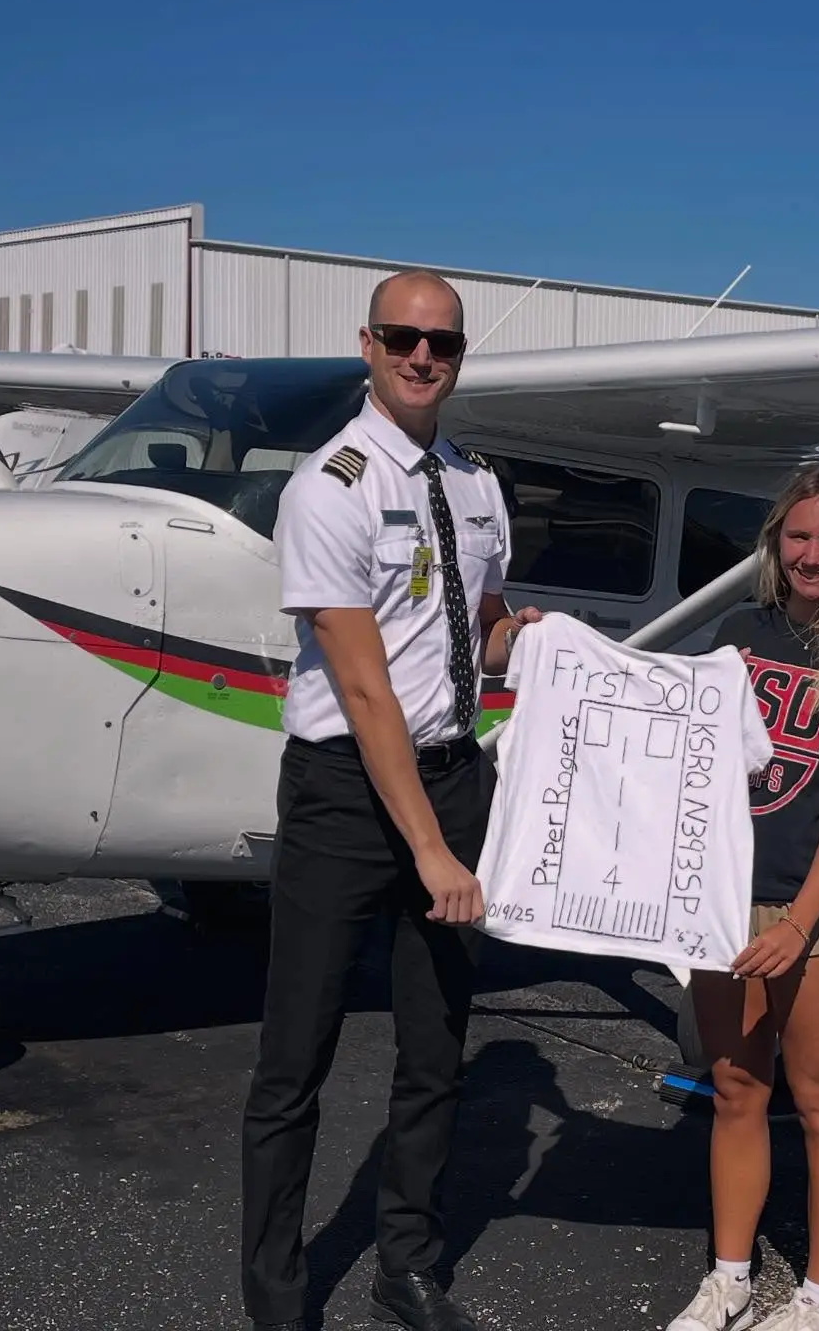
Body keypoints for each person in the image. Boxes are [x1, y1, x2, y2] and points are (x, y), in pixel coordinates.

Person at [240, 269, 541, 1331]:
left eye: (444, 345)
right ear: (367, 345)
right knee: (295, 1061)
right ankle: (277, 1296)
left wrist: (537, 641)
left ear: (459, 359)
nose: (424, 358)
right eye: (403, 338)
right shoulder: (333, 483)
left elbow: (480, 627)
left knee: (434, 1049)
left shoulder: (474, 481)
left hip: (454, 779)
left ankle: (407, 1266)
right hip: (347, 798)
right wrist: (433, 853)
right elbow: (364, 688)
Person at [665, 465, 819, 1331]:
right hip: (726, 905)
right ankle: (730, 1277)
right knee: (735, 1092)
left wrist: (801, 925)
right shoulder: (740, 633)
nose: (812, 555)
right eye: (799, 537)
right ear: (778, 542)